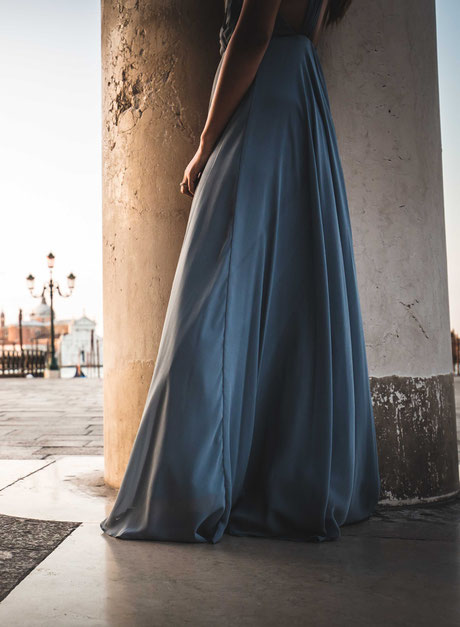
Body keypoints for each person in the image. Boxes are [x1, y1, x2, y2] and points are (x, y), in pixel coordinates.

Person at [102, 0, 379, 543]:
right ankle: (287, 479)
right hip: (302, 97)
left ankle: (195, 485)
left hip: (263, 97)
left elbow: (253, 35)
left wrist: (206, 143)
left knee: (213, 288)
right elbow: (306, 38)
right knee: (299, 284)